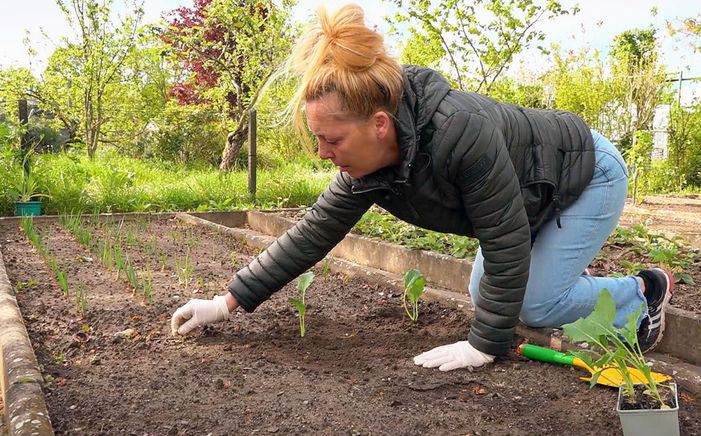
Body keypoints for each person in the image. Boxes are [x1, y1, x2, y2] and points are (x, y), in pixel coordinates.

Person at [171, 4, 674, 372]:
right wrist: (226, 303)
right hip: (529, 194)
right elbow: (310, 235)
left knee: (533, 304)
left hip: (583, 172)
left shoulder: (459, 131)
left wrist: (483, 346)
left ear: (380, 125)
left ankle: (644, 292)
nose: (323, 153)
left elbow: (503, 238)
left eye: (331, 139)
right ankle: (568, 272)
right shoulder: (368, 169)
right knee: (489, 291)